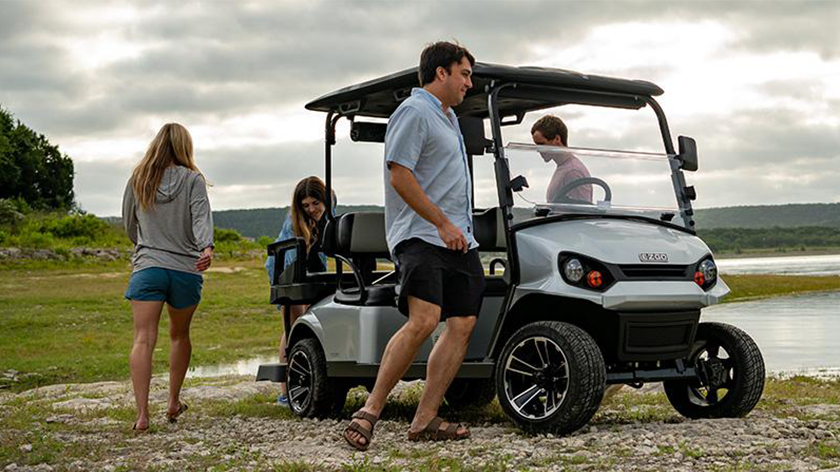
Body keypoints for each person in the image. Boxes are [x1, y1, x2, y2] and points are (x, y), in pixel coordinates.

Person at [343, 41, 485, 450]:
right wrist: (440, 223)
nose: (468, 83)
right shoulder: (413, 111)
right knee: (424, 319)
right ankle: (369, 411)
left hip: (459, 239)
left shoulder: (449, 118)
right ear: (441, 73)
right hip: (421, 235)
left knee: (462, 324)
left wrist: (456, 227)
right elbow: (400, 175)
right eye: (464, 74)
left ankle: (425, 418)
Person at [122, 123, 214, 433]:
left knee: (143, 339)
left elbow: (129, 224)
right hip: (186, 269)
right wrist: (206, 247)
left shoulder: (139, 178)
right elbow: (201, 217)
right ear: (185, 146)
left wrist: (146, 246)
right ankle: (173, 401)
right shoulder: (193, 180)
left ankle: (142, 415)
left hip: (148, 267)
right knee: (179, 334)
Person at [265, 176, 330, 407]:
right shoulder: (293, 221)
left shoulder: (328, 212)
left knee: (307, 324)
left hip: (313, 273)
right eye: (305, 205)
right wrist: (291, 292)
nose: (311, 209)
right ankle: (285, 392)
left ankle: (308, 379)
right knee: (294, 326)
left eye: (315, 203)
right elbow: (290, 260)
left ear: (324, 199)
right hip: (289, 272)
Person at [531, 115, 593, 204]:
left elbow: (581, 214)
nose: (538, 150)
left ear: (557, 139)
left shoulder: (572, 171)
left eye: (541, 144)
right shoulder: (564, 167)